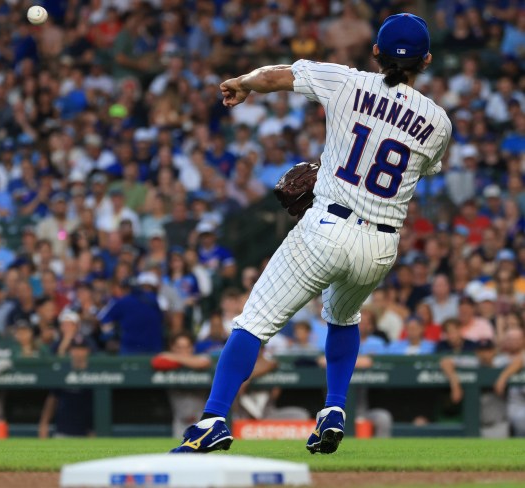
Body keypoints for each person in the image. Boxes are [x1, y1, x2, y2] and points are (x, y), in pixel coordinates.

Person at [171, 13, 451, 454]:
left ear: (375, 50)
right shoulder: (439, 122)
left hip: (327, 226)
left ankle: (213, 418)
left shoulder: (345, 80)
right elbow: (420, 166)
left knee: (253, 322)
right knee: (343, 317)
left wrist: (242, 81)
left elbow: (276, 76)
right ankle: (335, 407)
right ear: (427, 60)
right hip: (380, 244)